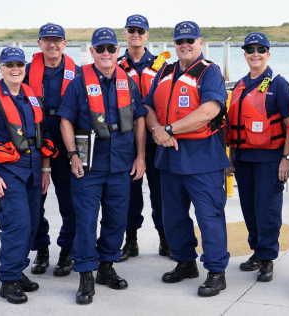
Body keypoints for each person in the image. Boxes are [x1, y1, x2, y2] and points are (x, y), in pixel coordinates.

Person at [58, 27, 148, 305]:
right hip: (89, 165)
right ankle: (86, 274)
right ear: (93, 52)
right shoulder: (78, 83)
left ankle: (106, 267)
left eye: (111, 48)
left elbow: (139, 119)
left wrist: (141, 156)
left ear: (117, 51)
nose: (106, 53)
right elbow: (65, 120)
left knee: (116, 219)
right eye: (101, 49)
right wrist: (72, 154)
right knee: (85, 220)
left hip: (121, 163)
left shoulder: (128, 83)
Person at [143, 21, 230, 297]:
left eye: (190, 40)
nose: (185, 45)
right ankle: (185, 262)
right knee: (174, 216)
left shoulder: (209, 72)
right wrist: (158, 130)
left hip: (203, 160)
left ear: (200, 43)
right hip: (169, 159)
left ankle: (216, 271)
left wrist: (169, 130)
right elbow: (146, 106)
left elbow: (209, 110)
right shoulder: (165, 71)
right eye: (180, 41)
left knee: (209, 217)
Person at [0, 47, 57, 304]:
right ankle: (8, 279)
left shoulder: (31, 97)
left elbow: (42, 138)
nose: (15, 68)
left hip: (32, 172)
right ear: (1, 69)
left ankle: (17, 270)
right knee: (16, 226)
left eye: (19, 63)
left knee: (31, 224)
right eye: (9, 64)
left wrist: (45, 169)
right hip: (7, 173)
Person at [225, 32, 289, 282]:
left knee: (267, 210)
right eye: (250, 49)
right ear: (244, 54)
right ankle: (257, 251)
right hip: (244, 158)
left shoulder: (279, 85)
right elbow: (236, 124)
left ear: (268, 54)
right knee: (250, 210)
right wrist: (231, 157)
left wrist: (286, 159)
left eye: (261, 49)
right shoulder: (240, 85)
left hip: (270, 159)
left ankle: (267, 258)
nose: (255, 54)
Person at [24, 23, 81, 276]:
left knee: (70, 203)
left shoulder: (78, 74)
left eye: (57, 40)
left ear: (65, 44)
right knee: (35, 202)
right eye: (46, 40)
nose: (52, 44)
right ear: (39, 44)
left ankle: (67, 250)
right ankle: (41, 248)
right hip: (35, 146)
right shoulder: (24, 73)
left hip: (66, 143)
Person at [117, 14, 172, 261]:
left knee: (162, 192)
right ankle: (131, 241)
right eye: (131, 30)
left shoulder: (163, 66)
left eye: (140, 30)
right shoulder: (115, 65)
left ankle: (165, 239)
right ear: (125, 34)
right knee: (130, 193)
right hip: (128, 140)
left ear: (147, 35)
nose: (136, 34)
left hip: (158, 139)